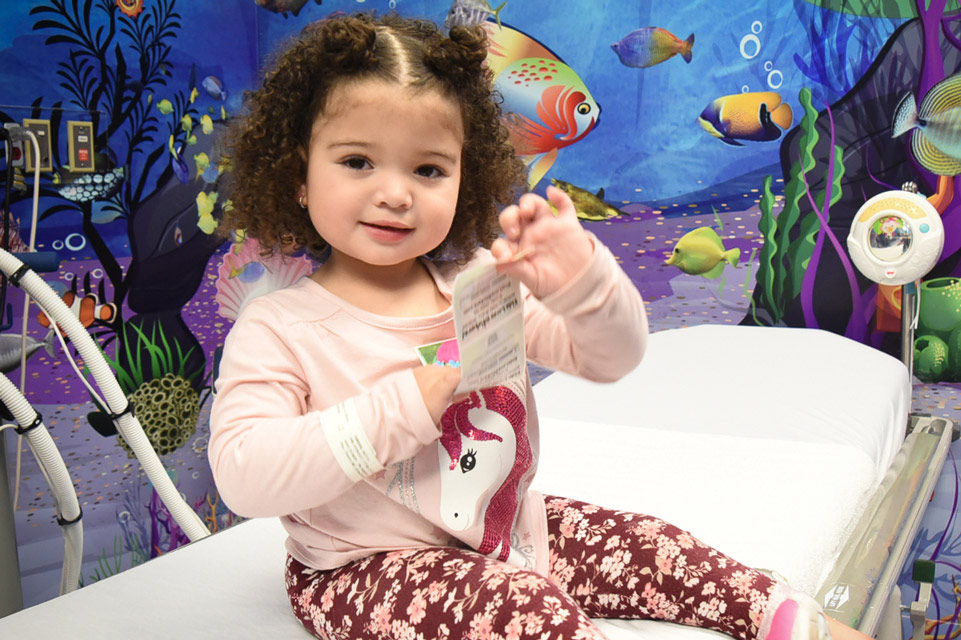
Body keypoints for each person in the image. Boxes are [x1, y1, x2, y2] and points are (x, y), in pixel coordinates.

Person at [209, 12, 871, 640]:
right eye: (357, 162)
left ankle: (788, 620)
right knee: (527, 605)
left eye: (428, 169)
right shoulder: (279, 327)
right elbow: (243, 475)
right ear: (298, 175)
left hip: (506, 529)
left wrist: (583, 285)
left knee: (653, 545)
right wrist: (396, 409)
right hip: (360, 566)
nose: (395, 193)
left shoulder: (474, 283)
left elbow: (609, 358)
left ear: (463, 179)